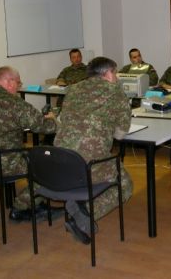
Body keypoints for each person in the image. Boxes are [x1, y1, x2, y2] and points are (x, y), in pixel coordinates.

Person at [54, 56, 132, 244]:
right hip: (88, 161)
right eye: (115, 72)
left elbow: (61, 120)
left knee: (104, 173)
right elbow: (120, 135)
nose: (117, 77)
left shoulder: (73, 89)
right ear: (108, 73)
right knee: (124, 185)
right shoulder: (115, 91)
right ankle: (85, 215)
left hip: (60, 159)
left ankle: (79, 202)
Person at [0, 66, 59, 222]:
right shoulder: (14, 103)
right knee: (47, 162)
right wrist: (53, 119)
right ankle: (21, 208)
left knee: (32, 154)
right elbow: (45, 127)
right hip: (3, 161)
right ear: (9, 82)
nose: (18, 87)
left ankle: (36, 202)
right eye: (18, 83)